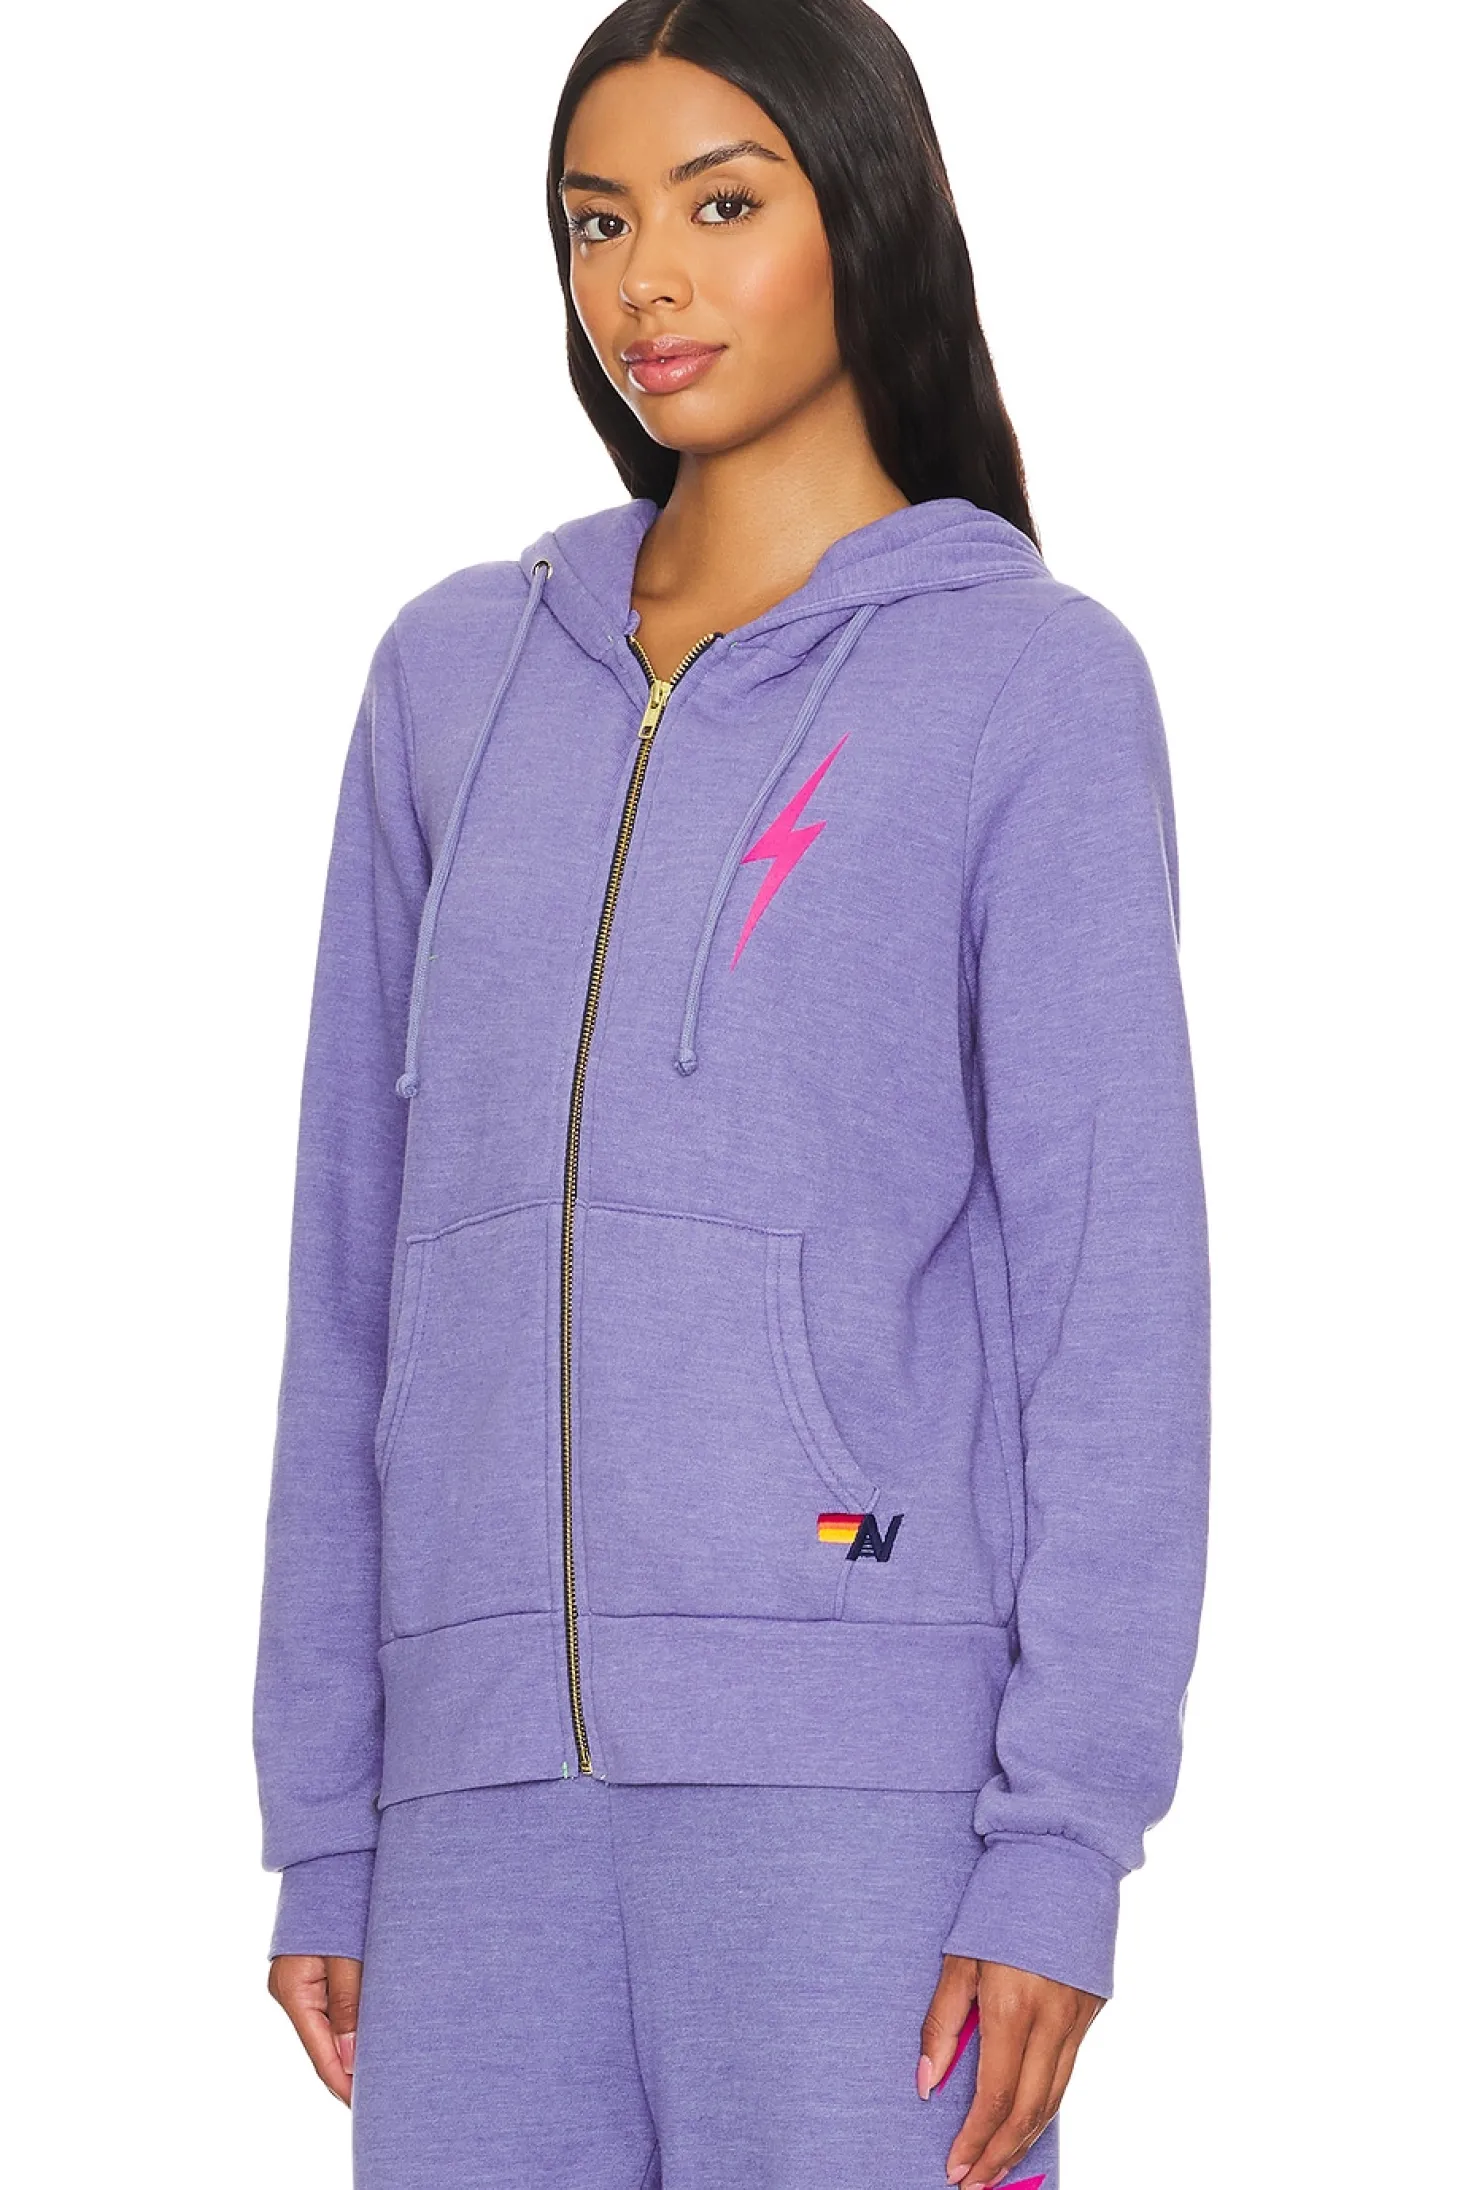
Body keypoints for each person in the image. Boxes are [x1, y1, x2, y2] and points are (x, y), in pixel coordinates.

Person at [251, 3, 1211, 2185]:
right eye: (598, 222)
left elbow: (1112, 1303)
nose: (646, 282)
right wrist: (328, 1813)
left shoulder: (1027, 684)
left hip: (865, 1802)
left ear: (862, 213)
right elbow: (351, 1273)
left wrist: (1058, 1845)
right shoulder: (451, 678)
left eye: (721, 203)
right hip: (471, 1812)